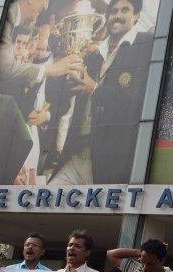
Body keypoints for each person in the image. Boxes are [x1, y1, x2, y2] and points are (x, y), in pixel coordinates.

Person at [49, 0, 152, 185]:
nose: (117, 15)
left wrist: (95, 89)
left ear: (136, 15)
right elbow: (62, 99)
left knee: (92, 215)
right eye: (113, 11)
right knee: (43, 208)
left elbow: (135, 104)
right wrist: (65, 71)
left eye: (125, 10)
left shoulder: (146, 45)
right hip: (74, 155)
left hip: (107, 162)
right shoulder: (93, 54)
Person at [106, 239, 173, 272]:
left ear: (162, 261)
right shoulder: (135, 268)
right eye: (142, 262)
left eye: (150, 264)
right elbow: (111, 254)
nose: (144, 268)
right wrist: (142, 253)